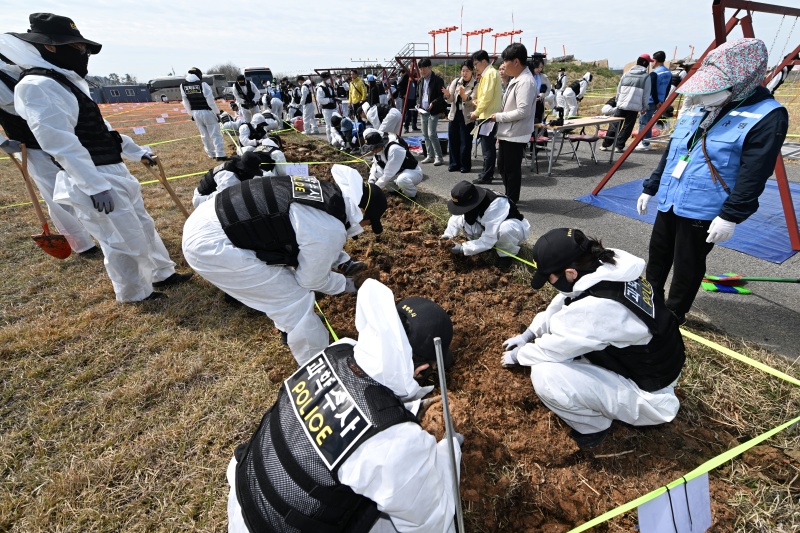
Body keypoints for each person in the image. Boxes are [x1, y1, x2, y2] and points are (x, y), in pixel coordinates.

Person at [226, 278, 462, 533]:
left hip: (245, 502)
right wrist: (449, 455)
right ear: (423, 368)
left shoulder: (336, 352)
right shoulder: (395, 441)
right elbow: (433, 523)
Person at [10, 13, 193, 302]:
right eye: (77, 48)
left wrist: (137, 152)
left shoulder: (66, 81)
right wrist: (94, 186)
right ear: (51, 47)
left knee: (141, 225)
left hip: (113, 168)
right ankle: (134, 292)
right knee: (119, 238)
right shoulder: (36, 86)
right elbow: (59, 142)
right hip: (92, 176)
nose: (83, 54)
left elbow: (101, 128)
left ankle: (162, 272)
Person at [637, 38, 788, 325]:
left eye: (717, 85)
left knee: (687, 262)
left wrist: (731, 214)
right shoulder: (699, 105)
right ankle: (648, 301)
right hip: (672, 197)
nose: (707, 93)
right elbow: (674, 150)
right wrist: (651, 186)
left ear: (743, 80)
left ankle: (673, 315)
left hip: (704, 206)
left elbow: (755, 171)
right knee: (657, 253)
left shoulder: (767, 115)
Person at [501, 228, 686, 449]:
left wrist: (520, 354)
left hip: (650, 394)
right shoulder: (606, 268)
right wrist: (529, 334)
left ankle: (593, 426)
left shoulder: (599, 307)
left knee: (546, 375)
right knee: (567, 351)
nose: (550, 284)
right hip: (653, 364)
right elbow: (566, 300)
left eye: (549, 278)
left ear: (570, 273)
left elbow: (553, 349)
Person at [182, 165, 387, 364]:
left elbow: (310, 236)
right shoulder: (328, 228)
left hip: (212, 217)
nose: (364, 228)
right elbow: (311, 279)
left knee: (281, 283)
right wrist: (347, 285)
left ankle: (287, 329)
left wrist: (341, 261)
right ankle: (315, 362)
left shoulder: (325, 193)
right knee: (295, 299)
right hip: (213, 246)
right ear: (361, 211)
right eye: (369, 223)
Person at [0, 48, 97, 255]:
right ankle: (82, 244)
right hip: (29, 145)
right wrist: (2, 142)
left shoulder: (22, 64)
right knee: (55, 194)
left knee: (82, 181)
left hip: (62, 135)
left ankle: (99, 230)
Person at [441, 180, 531, 269]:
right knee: (459, 218)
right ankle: (482, 247)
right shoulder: (468, 198)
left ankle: (506, 256)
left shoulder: (495, 204)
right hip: (487, 227)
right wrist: (448, 238)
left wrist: (463, 248)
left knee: (505, 229)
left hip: (513, 228)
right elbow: (454, 219)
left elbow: (490, 237)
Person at [491, 42, 536, 204]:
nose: (503, 65)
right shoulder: (518, 78)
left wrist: (499, 117)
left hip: (515, 133)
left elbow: (523, 111)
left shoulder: (525, 82)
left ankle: (511, 201)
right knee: (503, 167)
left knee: (511, 169)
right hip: (508, 132)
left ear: (516, 61)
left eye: (505, 61)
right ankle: (508, 196)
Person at [599, 56, 651, 152]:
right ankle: (618, 146)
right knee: (627, 127)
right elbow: (646, 94)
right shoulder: (646, 76)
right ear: (645, 63)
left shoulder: (626, 74)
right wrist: (644, 107)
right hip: (634, 107)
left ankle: (605, 145)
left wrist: (618, 102)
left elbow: (618, 90)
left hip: (621, 104)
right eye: (649, 62)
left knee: (615, 124)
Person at [179, 67, 227, 161]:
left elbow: (185, 102)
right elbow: (210, 101)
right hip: (207, 111)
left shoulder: (183, 85)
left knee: (204, 134)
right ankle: (220, 154)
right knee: (215, 134)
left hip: (195, 112)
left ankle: (211, 153)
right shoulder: (203, 84)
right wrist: (217, 113)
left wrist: (191, 114)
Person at [470, 50, 503, 184]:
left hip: (487, 116)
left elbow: (487, 97)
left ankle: (487, 175)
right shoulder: (489, 74)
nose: (475, 67)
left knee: (487, 148)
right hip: (487, 114)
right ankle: (486, 173)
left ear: (484, 61)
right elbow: (486, 96)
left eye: (476, 64)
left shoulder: (490, 74)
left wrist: (476, 112)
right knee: (486, 148)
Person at [364, 128, 423, 198]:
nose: (372, 150)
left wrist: (374, 189)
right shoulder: (377, 151)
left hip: (411, 171)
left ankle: (412, 196)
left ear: (380, 144)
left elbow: (388, 173)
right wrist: (371, 181)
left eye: (373, 148)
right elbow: (375, 166)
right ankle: (395, 191)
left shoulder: (394, 149)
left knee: (401, 180)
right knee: (379, 173)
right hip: (396, 172)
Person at [191, 152, 263, 208]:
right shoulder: (229, 178)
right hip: (202, 201)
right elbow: (223, 201)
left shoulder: (235, 168)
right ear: (244, 170)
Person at [443, 59, 477, 173]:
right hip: (454, 114)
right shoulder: (456, 81)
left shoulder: (476, 84)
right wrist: (447, 95)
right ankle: (454, 163)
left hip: (467, 117)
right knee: (453, 141)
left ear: (472, 71)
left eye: (467, 70)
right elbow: (451, 99)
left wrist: (464, 96)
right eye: (463, 70)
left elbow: (473, 100)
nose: (464, 73)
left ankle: (465, 165)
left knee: (466, 142)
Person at [636, 51, 672, 151]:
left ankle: (644, 142)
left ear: (655, 61)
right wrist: (662, 101)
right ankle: (645, 142)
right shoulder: (668, 72)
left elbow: (652, 89)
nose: (651, 63)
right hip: (660, 101)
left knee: (643, 122)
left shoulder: (655, 73)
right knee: (649, 122)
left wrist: (656, 101)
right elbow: (668, 88)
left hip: (651, 101)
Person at [416, 58, 446, 166]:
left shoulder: (437, 80)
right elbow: (418, 95)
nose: (422, 71)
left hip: (434, 110)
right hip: (423, 110)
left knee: (432, 133)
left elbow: (441, 96)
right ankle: (430, 155)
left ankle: (439, 157)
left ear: (430, 67)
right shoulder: (420, 80)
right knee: (425, 134)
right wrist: (418, 103)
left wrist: (433, 102)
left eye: (424, 68)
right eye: (420, 68)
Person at [316, 72, 337, 143]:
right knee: (328, 125)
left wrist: (335, 99)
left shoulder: (329, 86)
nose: (329, 79)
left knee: (336, 124)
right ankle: (330, 141)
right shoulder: (320, 88)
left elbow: (332, 96)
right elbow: (320, 99)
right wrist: (329, 100)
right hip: (327, 109)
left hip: (333, 108)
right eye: (328, 78)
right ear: (324, 79)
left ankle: (336, 140)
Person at [530, 56, 551, 126]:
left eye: (541, 67)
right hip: (530, 103)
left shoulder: (543, 77)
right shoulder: (528, 76)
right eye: (537, 67)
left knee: (539, 121)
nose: (539, 69)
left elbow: (548, 89)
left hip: (540, 102)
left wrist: (543, 94)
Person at [397, 68, 418, 132]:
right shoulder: (406, 76)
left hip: (414, 97)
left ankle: (414, 126)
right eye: (414, 70)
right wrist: (403, 94)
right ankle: (406, 127)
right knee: (407, 113)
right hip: (407, 98)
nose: (415, 71)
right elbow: (399, 85)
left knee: (415, 112)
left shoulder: (415, 76)